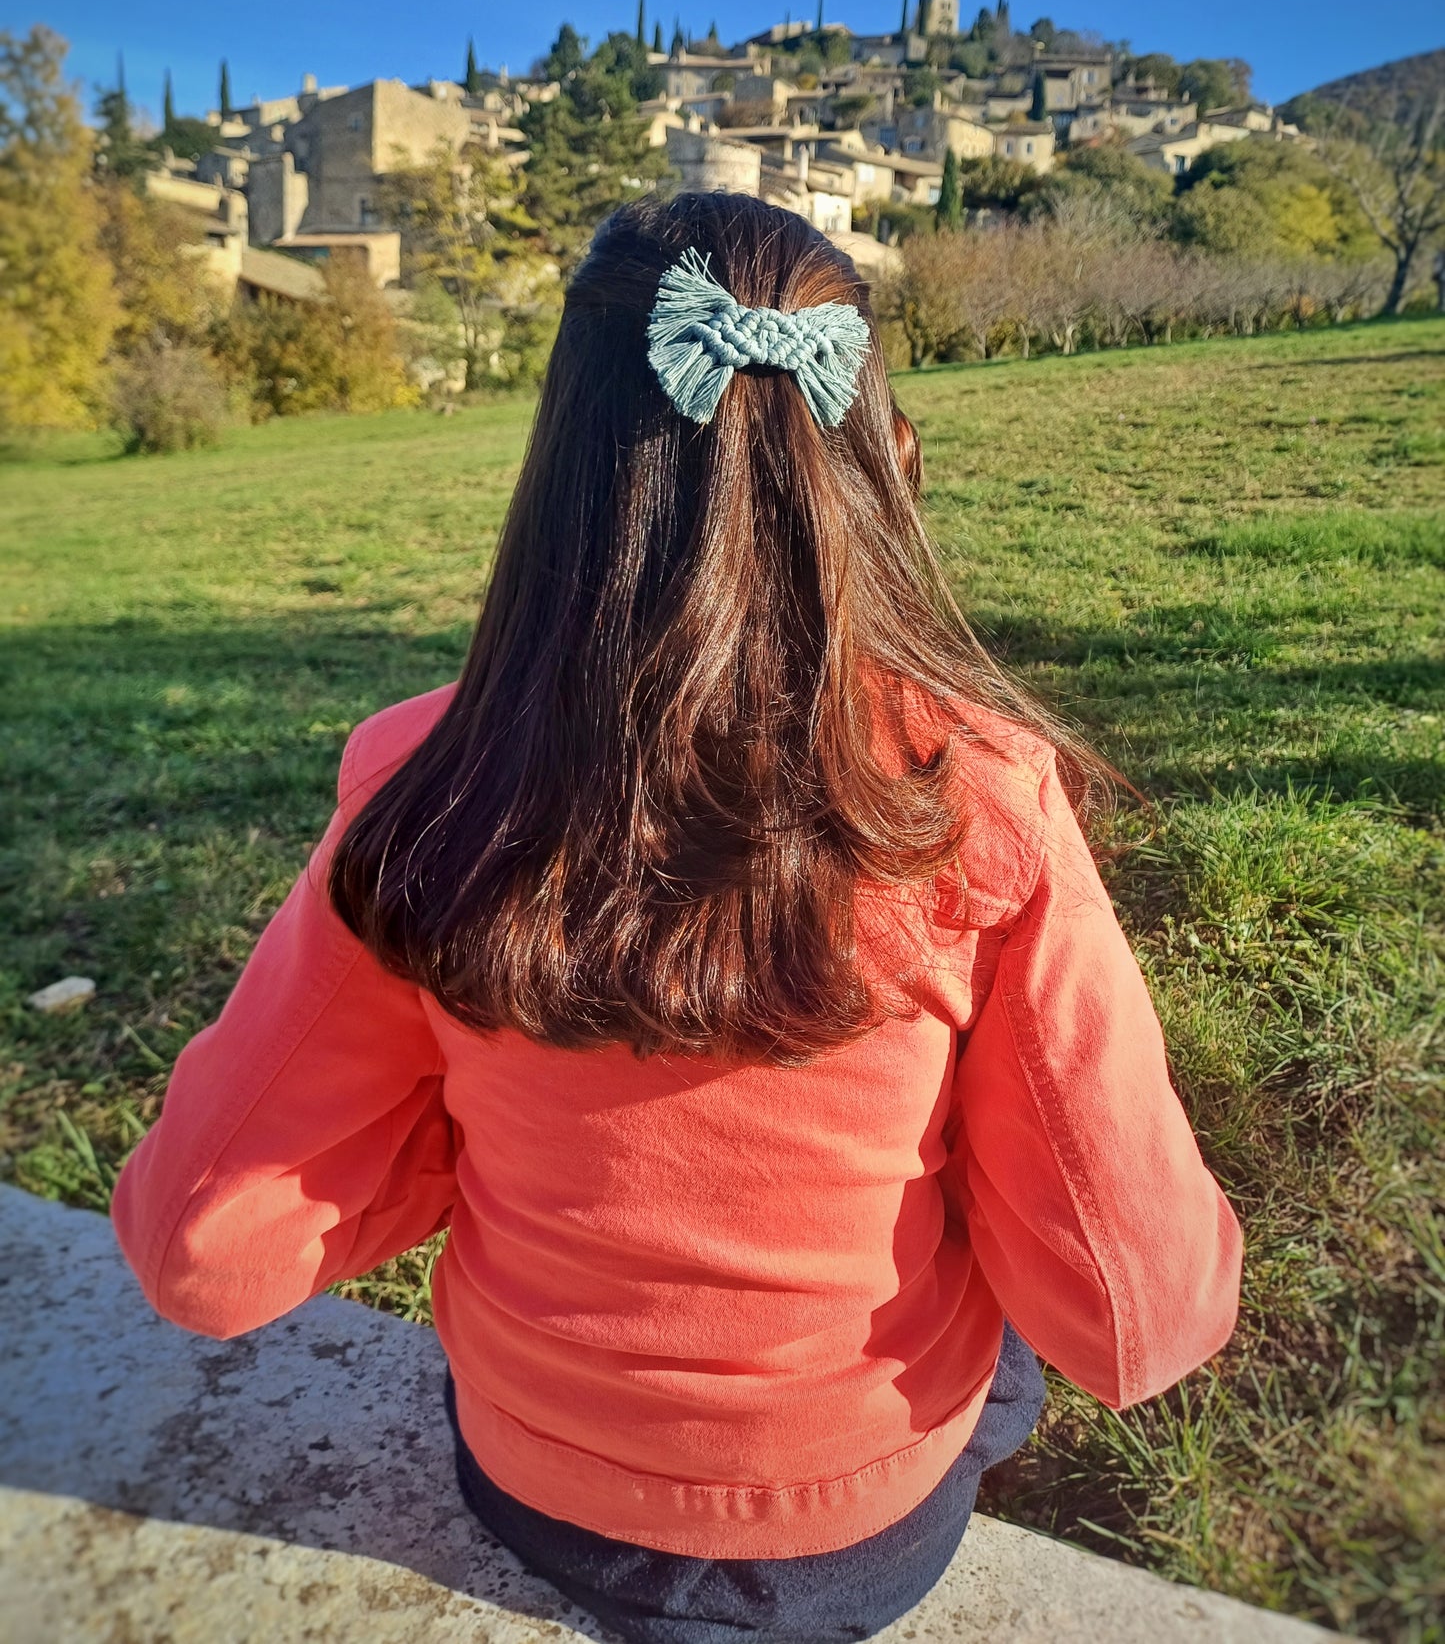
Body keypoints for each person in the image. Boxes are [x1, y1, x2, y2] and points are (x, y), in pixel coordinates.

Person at [112, 192, 1242, 1644]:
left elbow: (202, 1249)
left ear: (558, 474)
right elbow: (1132, 1314)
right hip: (863, 1528)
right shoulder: (977, 802)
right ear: (885, 464)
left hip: (541, 1493)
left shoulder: (424, 778)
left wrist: (452, 1156)